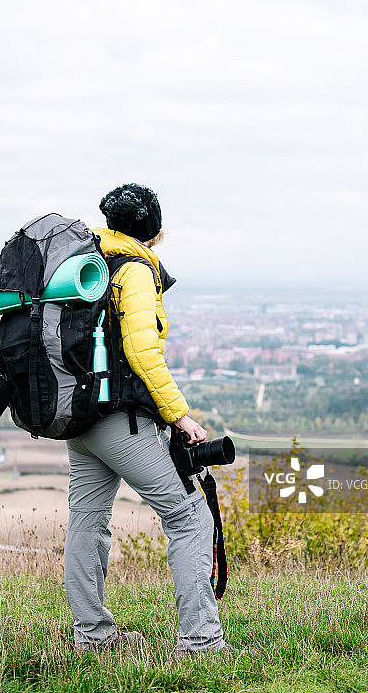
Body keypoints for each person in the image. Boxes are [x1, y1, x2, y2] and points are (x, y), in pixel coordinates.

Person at [64, 183, 230, 655]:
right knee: (189, 515)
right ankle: (200, 642)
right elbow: (141, 350)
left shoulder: (87, 263)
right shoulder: (133, 269)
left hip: (80, 421)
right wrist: (181, 418)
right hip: (122, 421)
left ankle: (92, 637)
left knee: (88, 521)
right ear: (154, 229)